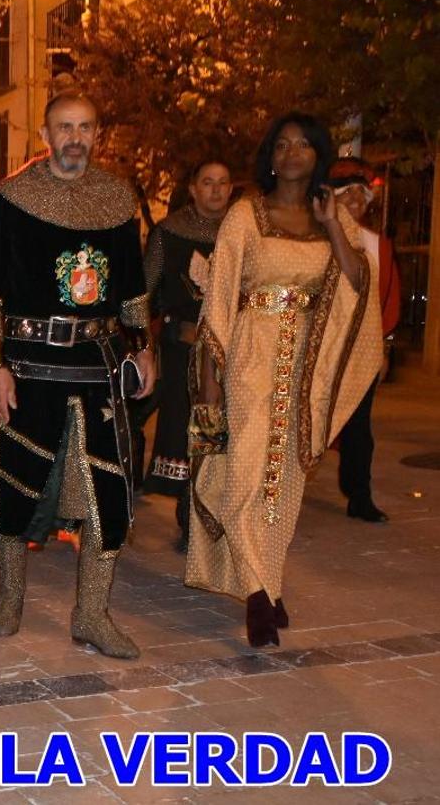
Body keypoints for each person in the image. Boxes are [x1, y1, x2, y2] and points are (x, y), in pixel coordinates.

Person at [0, 90, 156, 660]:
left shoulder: (118, 200)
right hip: (30, 365)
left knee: (109, 494)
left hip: (97, 365)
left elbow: (132, 290)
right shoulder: (15, 198)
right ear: (45, 135)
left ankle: (92, 615)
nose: (75, 137)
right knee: (16, 484)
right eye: (65, 128)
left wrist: (141, 348)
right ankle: (10, 599)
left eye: (86, 127)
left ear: (98, 133)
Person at [187, 114, 380, 647]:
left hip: (304, 368)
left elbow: (357, 281)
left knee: (284, 480)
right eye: (282, 144)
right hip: (250, 354)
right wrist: (210, 377)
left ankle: (268, 582)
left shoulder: (330, 214)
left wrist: (335, 224)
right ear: (270, 156)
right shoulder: (245, 213)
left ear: (317, 155)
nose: (293, 152)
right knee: (246, 472)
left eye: (303, 145)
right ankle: (256, 596)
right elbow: (220, 294)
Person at [142, 159, 234, 551]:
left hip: (234, 353)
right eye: (207, 182)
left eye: (223, 182)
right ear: (193, 188)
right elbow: (144, 292)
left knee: (223, 434)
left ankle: (210, 511)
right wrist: (144, 344)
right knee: (187, 434)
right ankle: (188, 513)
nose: (215, 190)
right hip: (183, 349)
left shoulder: (243, 233)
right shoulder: (169, 232)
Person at [329, 159, 400, 523]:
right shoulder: (317, 238)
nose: (356, 200)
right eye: (347, 193)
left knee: (360, 425)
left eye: (361, 193)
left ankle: (359, 494)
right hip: (322, 348)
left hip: (363, 350)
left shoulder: (378, 245)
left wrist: (384, 347)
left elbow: (388, 299)